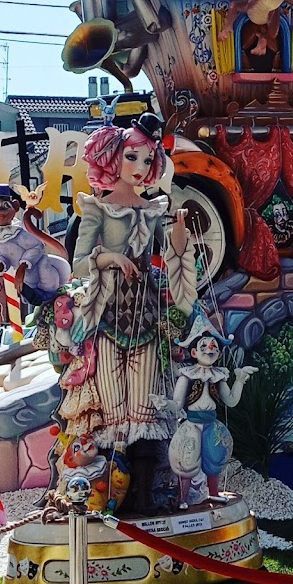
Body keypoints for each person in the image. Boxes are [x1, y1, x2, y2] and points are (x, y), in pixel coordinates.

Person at [71, 109, 197, 511]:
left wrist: (178, 227)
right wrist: (109, 257)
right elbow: (77, 263)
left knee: (143, 403)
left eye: (147, 160)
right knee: (112, 403)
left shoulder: (152, 209)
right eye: (132, 157)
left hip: (144, 316)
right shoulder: (96, 207)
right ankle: (111, 494)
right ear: (112, 157)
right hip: (105, 315)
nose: (140, 168)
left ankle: (142, 493)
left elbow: (171, 252)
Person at [152, 310, 257, 508]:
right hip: (192, 424)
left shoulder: (219, 375)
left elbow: (231, 401)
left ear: (218, 352)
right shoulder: (187, 375)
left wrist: (240, 380)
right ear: (193, 352)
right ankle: (182, 499)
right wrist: (165, 404)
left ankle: (214, 493)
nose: (209, 349)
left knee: (214, 458)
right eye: (203, 346)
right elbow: (177, 404)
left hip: (211, 423)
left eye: (214, 346)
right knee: (187, 462)